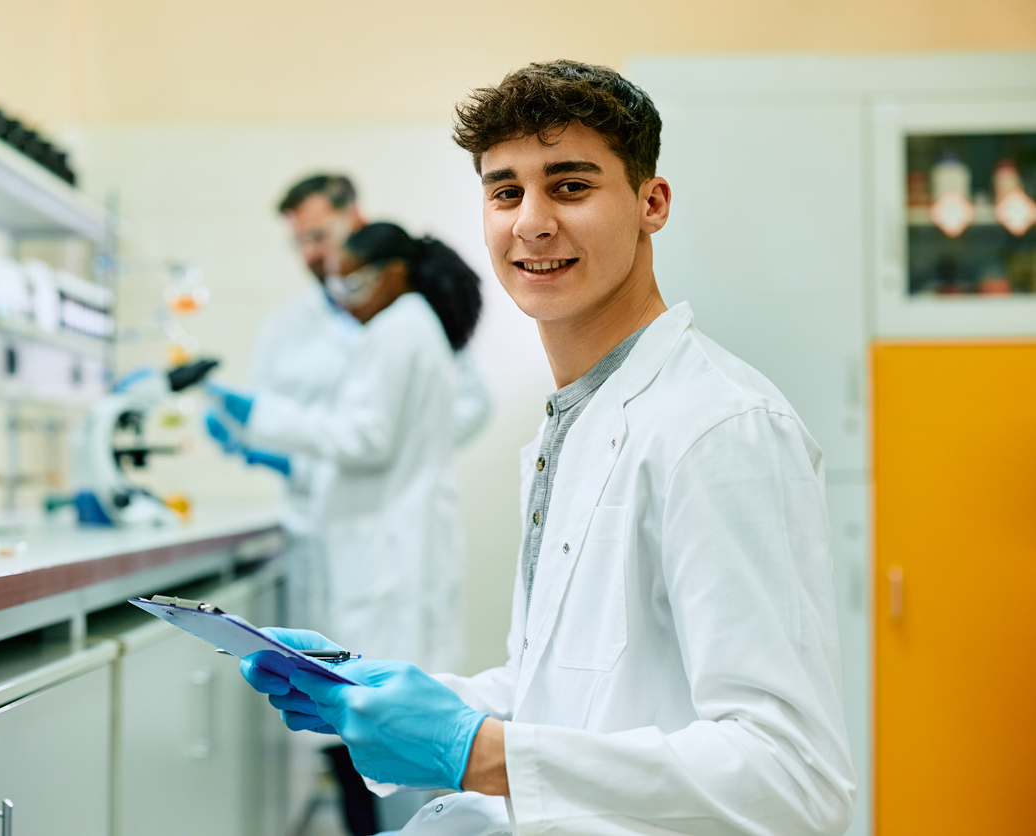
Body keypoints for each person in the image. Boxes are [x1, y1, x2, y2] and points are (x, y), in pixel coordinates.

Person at [237, 60, 856, 836]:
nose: (531, 221)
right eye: (505, 192)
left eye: (569, 186)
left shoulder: (718, 428)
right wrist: (377, 693)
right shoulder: (570, 425)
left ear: (650, 203)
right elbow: (562, 693)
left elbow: (793, 780)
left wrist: (481, 754)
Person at [208, 221, 485, 834]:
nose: (341, 293)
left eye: (352, 279)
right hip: (391, 549)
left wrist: (264, 416)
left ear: (392, 274)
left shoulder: (400, 328)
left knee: (383, 731)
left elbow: (365, 437)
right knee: (383, 733)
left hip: (389, 562)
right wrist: (290, 459)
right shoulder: (410, 326)